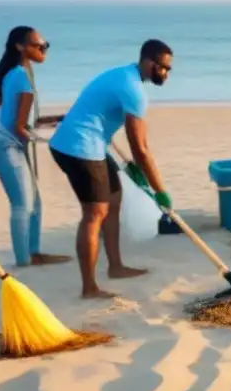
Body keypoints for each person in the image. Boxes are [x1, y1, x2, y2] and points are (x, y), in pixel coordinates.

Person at [47, 40, 174, 299]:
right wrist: (160, 190)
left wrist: (135, 170)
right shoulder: (133, 89)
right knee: (95, 213)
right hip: (78, 148)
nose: (167, 74)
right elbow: (140, 147)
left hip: (92, 143)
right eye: (164, 68)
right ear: (150, 63)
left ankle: (115, 267)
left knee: (114, 199)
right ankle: (89, 287)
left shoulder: (124, 74)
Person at [0, 26, 72, 268]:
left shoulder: (19, 73)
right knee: (22, 203)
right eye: (37, 45)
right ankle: (24, 260)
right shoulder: (20, 75)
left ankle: (33, 252)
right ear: (20, 47)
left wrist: (58, 120)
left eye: (45, 45)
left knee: (35, 201)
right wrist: (48, 141)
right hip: (4, 143)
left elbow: (23, 120)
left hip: (3, 140)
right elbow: (18, 126)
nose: (43, 49)